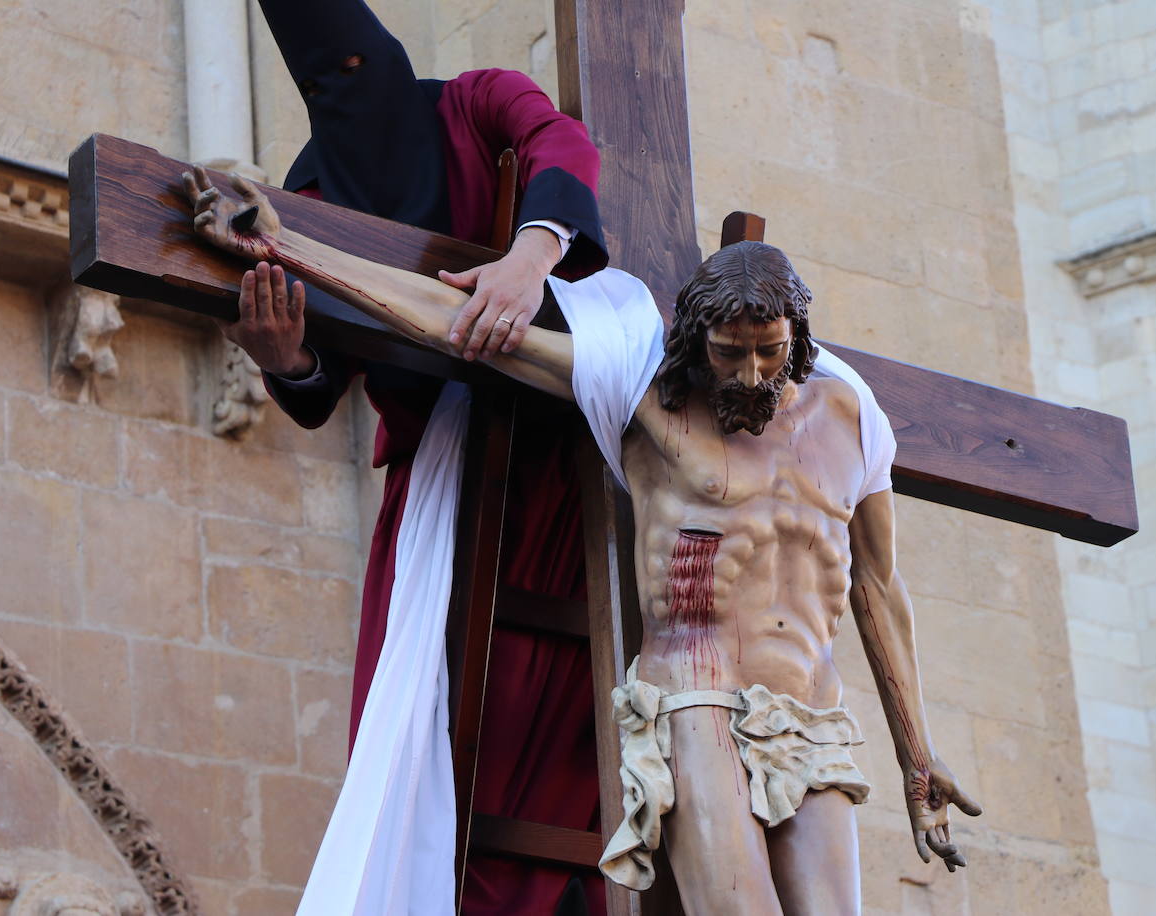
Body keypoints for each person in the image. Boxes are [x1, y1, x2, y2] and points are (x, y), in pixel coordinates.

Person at [184, 171, 983, 914]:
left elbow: (878, 585)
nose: (747, 376)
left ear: (797, 337)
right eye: (728, 354)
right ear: (695, 341)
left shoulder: (852, 418)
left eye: (769, 352)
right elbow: (460, 326)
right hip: (695, 690)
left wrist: (918, 754)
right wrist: (286, 247)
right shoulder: (644, 391)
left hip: (813, 701)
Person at [224, 2, 611, 911]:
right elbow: (326, 374)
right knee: (433, 737)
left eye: (363, 72)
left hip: (563, 469)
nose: (356, 95)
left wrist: (529, 261)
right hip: (442, 486)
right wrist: (289, 361)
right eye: (334, 87)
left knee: (576, 726)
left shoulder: (477, 101)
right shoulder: (311, 199)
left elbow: (562, 144)